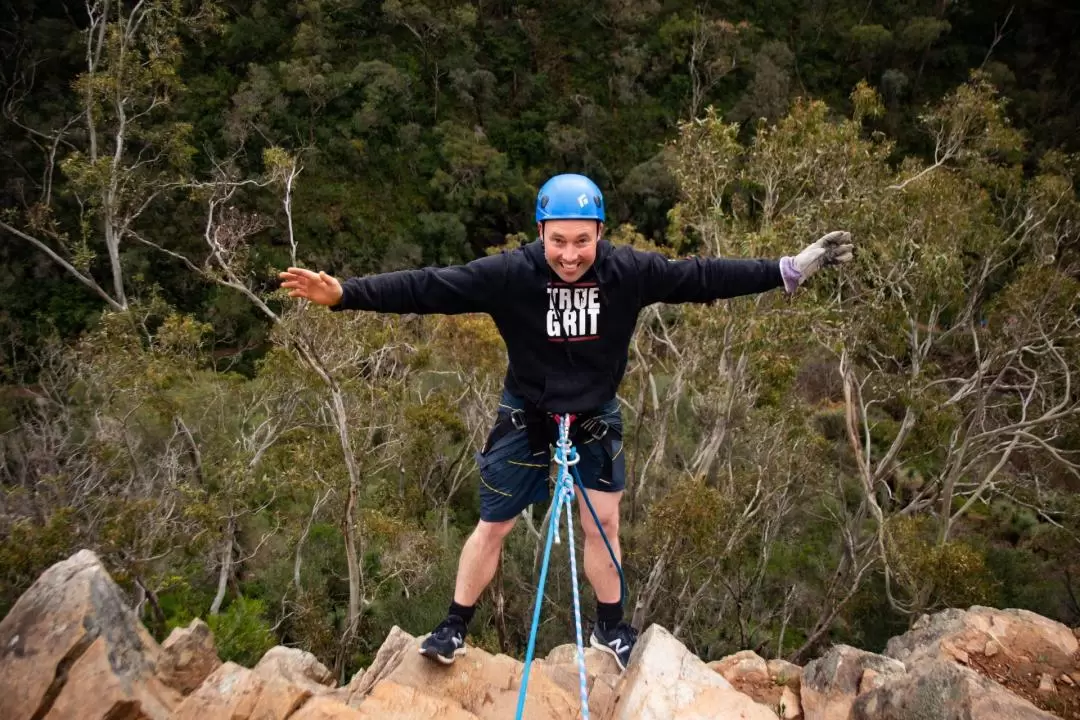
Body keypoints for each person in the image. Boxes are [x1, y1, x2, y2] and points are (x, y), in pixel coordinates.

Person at [278, 173, 853, 671]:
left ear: (600, 233)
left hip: (594, 414)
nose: (571, 255)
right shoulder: (512, 274)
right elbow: (431, 286)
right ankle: (453, 626)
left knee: (602, 523)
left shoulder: (629, 271)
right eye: (558, 242)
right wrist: (346, 295)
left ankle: (610, 628)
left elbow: (701, 276)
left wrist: (787, 270)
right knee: (494, 524)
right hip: (526, 412)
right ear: (540, 233)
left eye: (582, 241)